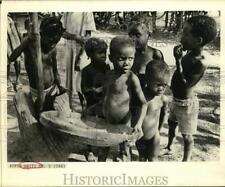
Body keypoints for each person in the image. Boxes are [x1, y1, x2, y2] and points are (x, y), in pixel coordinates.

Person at [84, 36, 147, 161]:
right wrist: (94, 106)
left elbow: (143, 103)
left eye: (131, 59)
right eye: (122, 59)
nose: (127, 63)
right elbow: (107, 95)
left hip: (123, 123)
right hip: (107, 121)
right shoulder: (109, 74)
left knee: (124, 150)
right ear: (111, 58)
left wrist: (139, 124)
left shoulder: (131, 78)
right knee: (103, 148)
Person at [164, 15, 217, 161]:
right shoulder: (189, 52)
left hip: (186, 105)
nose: (181, 38)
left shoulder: (201, 62)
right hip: (176, 100)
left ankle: (186, 161)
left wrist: (177, 61)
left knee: (187, 135)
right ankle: (169, 146)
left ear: (198, 40)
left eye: (186, 34)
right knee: (171, 123)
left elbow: (186, 83)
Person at [9, 16, 66, 112]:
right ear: (42, 34)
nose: (53, 45)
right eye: (51, 41)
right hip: (36, 92)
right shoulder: (31, 44)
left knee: (51, 116)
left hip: (52, 90)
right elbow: (12, 57)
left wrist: (60, 85)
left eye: (56, 42)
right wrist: (26, 42)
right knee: (38, 116)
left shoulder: (53, 49)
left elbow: (54, 69)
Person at [60, 12, 96, 111]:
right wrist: (76, 37)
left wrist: (78, 41)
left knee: (82, 78)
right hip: (69, 47)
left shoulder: (87, 11)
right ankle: (70, 106)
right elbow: (62, 32)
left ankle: (85, 107)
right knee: (69, 78)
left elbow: (87, 37)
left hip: (83, 48)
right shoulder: (68, 11)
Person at [81, 37, 109, 161]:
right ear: (90, 55)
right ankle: (90, 149)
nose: (104, 55)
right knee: (90, 127)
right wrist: (94, 90)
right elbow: (83, 89)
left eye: (105, 52)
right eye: (100, 53)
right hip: (92, 104)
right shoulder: (87, 71)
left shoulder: (107, 69)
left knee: (105, 127)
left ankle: (103, 147)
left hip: (104, 104)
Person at [136, 60, 169, 161]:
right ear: (147, 81)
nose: (161, 88)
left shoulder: (163, 99)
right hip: (140, 136)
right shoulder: (142, 97)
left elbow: (164, 114)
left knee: (153, 160)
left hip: (154, 136)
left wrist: (159, 129)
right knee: (141, 159)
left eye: (165, 85)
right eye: (158, 84)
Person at [128, 18, 164, 89]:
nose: (133, 39)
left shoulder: (155, 54)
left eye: (137, 35)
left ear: (148, 34)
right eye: (130, 35)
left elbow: (162, 78)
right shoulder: (127, 53)